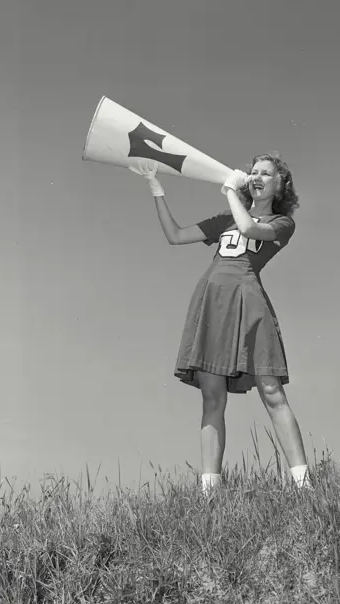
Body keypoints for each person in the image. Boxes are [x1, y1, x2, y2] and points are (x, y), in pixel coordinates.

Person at [130, 153, 311, 494]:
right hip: (212, 301)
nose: (257, 177)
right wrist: (156, 188)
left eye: (266, 174)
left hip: (248, 301)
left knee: (272, 391)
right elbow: (176, 235)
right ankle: (209, 493)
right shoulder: (225, 219)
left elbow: (249, 228)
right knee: (212, 398)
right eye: (253, 172)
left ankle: (303, 485)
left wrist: (230, 190)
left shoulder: (283, 223)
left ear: (279, 184)